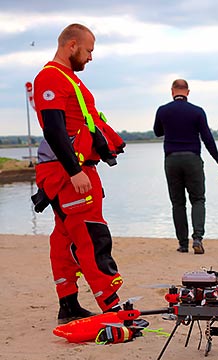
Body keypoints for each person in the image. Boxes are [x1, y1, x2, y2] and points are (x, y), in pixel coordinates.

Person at [32, 23, 126, 324]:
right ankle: (112, 308)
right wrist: (74, 171)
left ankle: (68, 304)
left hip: (66, 170)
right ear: (71, 45)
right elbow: (54, 128)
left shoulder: (67, 79)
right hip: (69, 172)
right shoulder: (51, 77)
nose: (90, 58)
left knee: (63, 239)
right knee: (91, 235)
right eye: (88, 51)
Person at [153, 79, 218, 254]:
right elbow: (207, 137)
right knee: (198, 199)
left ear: (172, 91)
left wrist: (171, 127)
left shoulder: (163, 111)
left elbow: (158, 132)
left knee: (177, 203)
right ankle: (197, 238)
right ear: (188, 92)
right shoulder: (197, 112)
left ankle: (182, 243)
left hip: (171, 159)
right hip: (192, 159)